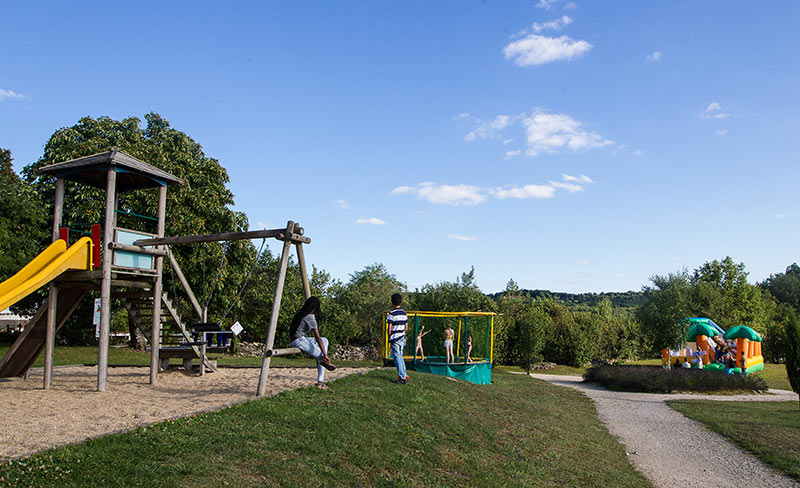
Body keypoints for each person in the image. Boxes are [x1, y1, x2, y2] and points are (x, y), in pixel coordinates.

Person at [289, 296, 335, 389]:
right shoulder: (309, 317)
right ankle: (320, 383)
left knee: (325, 340)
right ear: (315, 308)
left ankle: (323, 361)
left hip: (297, 339)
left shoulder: (299, 313)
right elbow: (317, 337)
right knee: (322, 357)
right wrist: (325, 355)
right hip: (299, 341)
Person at [387, 293, 409, 384]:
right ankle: (404, 373)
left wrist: (390, 336)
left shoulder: (391, 314)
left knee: (397, 357)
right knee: (401, 356)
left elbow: (389, 328)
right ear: (401, 302)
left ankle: (402, 377)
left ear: (392, 302)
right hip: (402, 337)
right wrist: (402, 333)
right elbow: (406, 327)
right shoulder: (404, 313)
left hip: (395, 337)